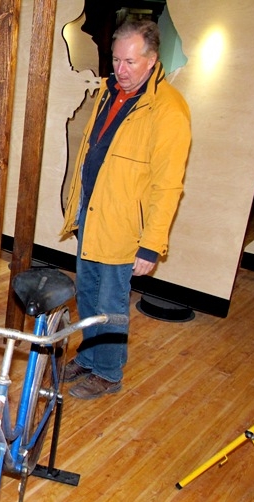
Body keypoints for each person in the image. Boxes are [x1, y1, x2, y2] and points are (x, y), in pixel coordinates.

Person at [60, 19, 191, 400]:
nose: (121, 69)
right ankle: (89, 356)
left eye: (130, 62)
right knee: (87, 294)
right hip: (92, 214)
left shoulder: (169, 110)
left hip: (124, 227)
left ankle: (108, 371)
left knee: (110, 304)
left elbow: (168, 186)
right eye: (116, 59)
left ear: (152, 59)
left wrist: (151, 245)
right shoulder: (109, 91)